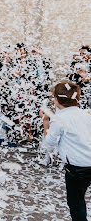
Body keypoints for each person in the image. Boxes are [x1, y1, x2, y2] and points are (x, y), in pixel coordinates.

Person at [41, 81, 91, 221]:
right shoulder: (86, 114)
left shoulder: (59, 119)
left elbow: (49, 144)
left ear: (56, 100)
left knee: (76, 203)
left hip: (77, 168)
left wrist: (46, 123)